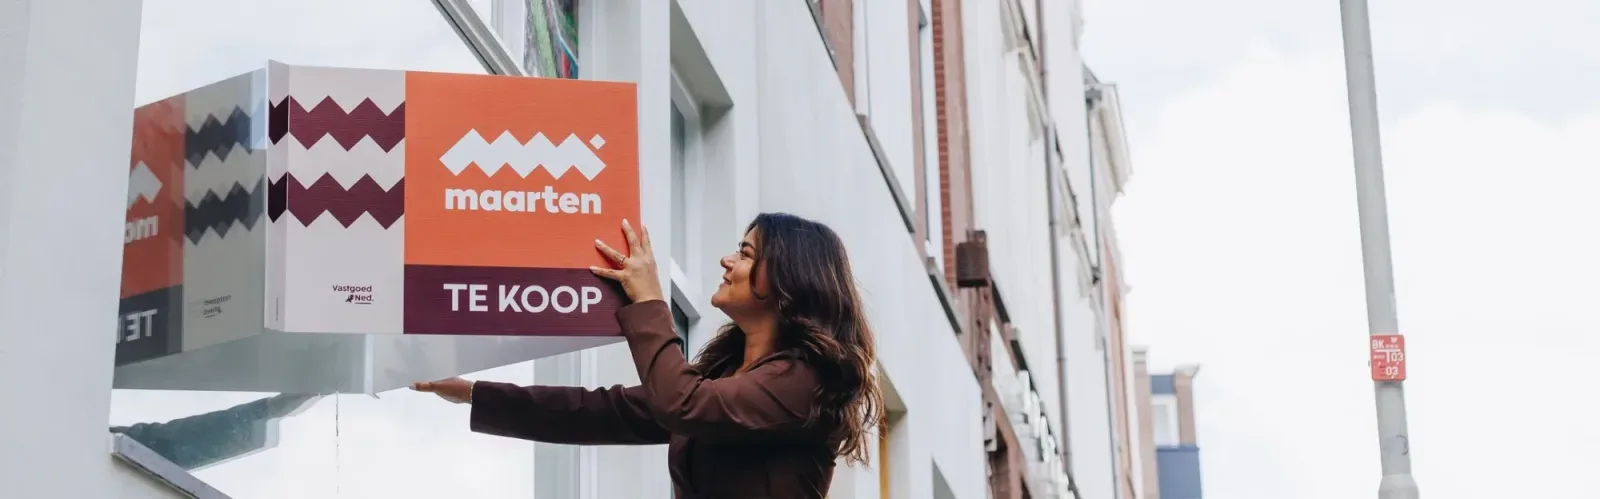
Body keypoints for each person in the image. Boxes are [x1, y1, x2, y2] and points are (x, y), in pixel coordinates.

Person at [413, 213, 884, 499]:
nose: (727, 261)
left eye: (744, 253)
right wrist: (473, 394)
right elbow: (605, 412)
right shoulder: (726, 377)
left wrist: (650, 303)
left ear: (787, 277)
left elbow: (682, 403)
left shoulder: (804, 381)